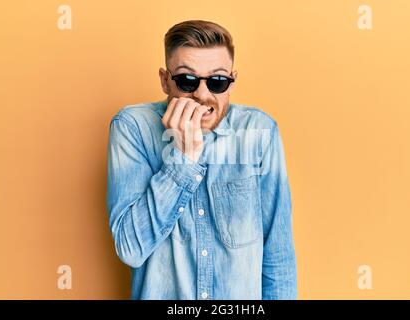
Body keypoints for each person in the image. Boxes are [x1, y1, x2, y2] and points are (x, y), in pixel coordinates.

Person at [106, 20, 297, 300]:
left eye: (217, 81)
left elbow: (278, 255)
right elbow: (130, 248)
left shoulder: (259, 132)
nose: (202, 95)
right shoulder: (133, 127)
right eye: (187, 80)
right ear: (164, 80)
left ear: (232, 82)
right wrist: (182, 159)